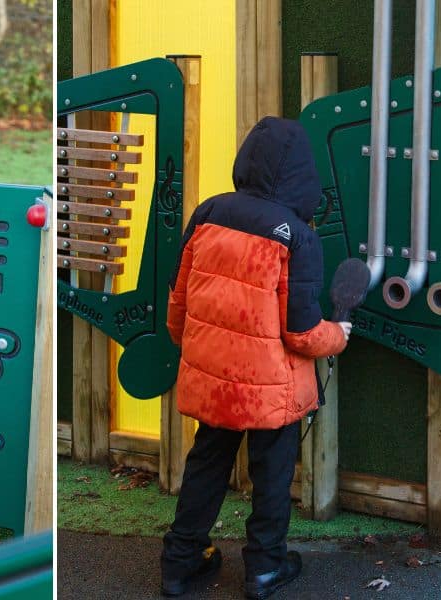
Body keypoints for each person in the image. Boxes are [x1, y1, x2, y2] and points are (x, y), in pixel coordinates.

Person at [160, 117, 352, 599]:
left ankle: (180, 564)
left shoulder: (207, 213)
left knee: (207, 461)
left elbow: (177, 307)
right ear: (304, 175)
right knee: (272, 473)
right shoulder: (297, 236)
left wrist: (202, 353)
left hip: (213, 375)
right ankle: (265, 568)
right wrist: (340, 334)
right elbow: (303, 333)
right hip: (271, 387)